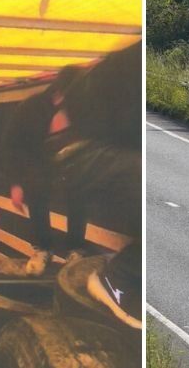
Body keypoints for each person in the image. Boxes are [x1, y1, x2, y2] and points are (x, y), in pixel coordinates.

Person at [44, 42, 142, 328]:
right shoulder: (49, 106)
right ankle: (115, 278)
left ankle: (82, 253)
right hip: (77, 151)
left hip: (101, 146)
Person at [4, 65, 90, 275]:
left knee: (81, 190)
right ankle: (43, 249)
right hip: (35, 162)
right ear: (58, 92)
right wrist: (16, 183)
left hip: (68, 163)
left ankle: (75, 250)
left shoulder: (81, 110)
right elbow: (12, 146)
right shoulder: (30, 108)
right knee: (35, 190)